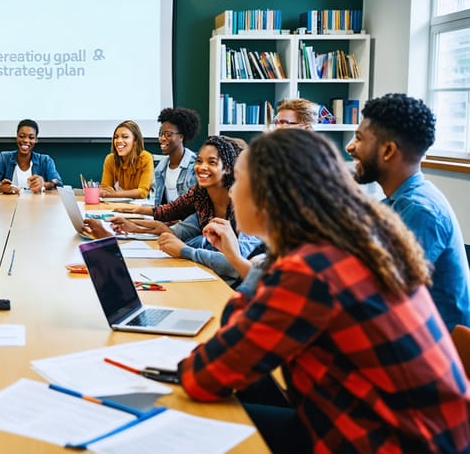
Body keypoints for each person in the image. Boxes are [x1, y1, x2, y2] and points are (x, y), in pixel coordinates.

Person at [179, 128, 470, 453]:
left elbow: (202, 377)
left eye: (239, 181)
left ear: (267, 196)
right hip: (426, 433)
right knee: (249, 391)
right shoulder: (354, 243)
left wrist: (263, 262)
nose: (231, 193)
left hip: (392, 442)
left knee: (193, 418)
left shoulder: (308, 270)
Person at [346, 93, 470, 331]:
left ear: (388, 151)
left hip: (435, 348)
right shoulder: (397, 201)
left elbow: (383, 296)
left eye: (359, 139)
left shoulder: (420, 211)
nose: (350, 146)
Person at [86, 136, 261, 284]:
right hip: (209, 276)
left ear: (230, 168)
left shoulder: (247, 209)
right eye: (199, 161)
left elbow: (237, 264)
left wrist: (185, 251)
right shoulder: (201, 197)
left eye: (212, 162)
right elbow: (173, 229)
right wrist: (131, 227)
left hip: (232, 285)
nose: (201, 167)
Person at [0, 119, 64, 194]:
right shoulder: (4, 158)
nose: (26, 140)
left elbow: (58, 182)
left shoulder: (45, 160)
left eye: (31, 137)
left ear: (36, 140)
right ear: (16, 137)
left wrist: (44, 184)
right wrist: (0, 186)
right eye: (22, 136)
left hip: (37, 207)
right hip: (8, 206)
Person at [99, 120, 154, 199]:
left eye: (125, 137)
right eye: (116, 137)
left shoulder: (146, 158)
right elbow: (105, 190)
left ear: (135, 141)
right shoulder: (110, 159)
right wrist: (107, 193)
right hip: (115, 206)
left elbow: (142, 192)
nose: (119, 141)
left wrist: (114, 194)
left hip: (138, 207)